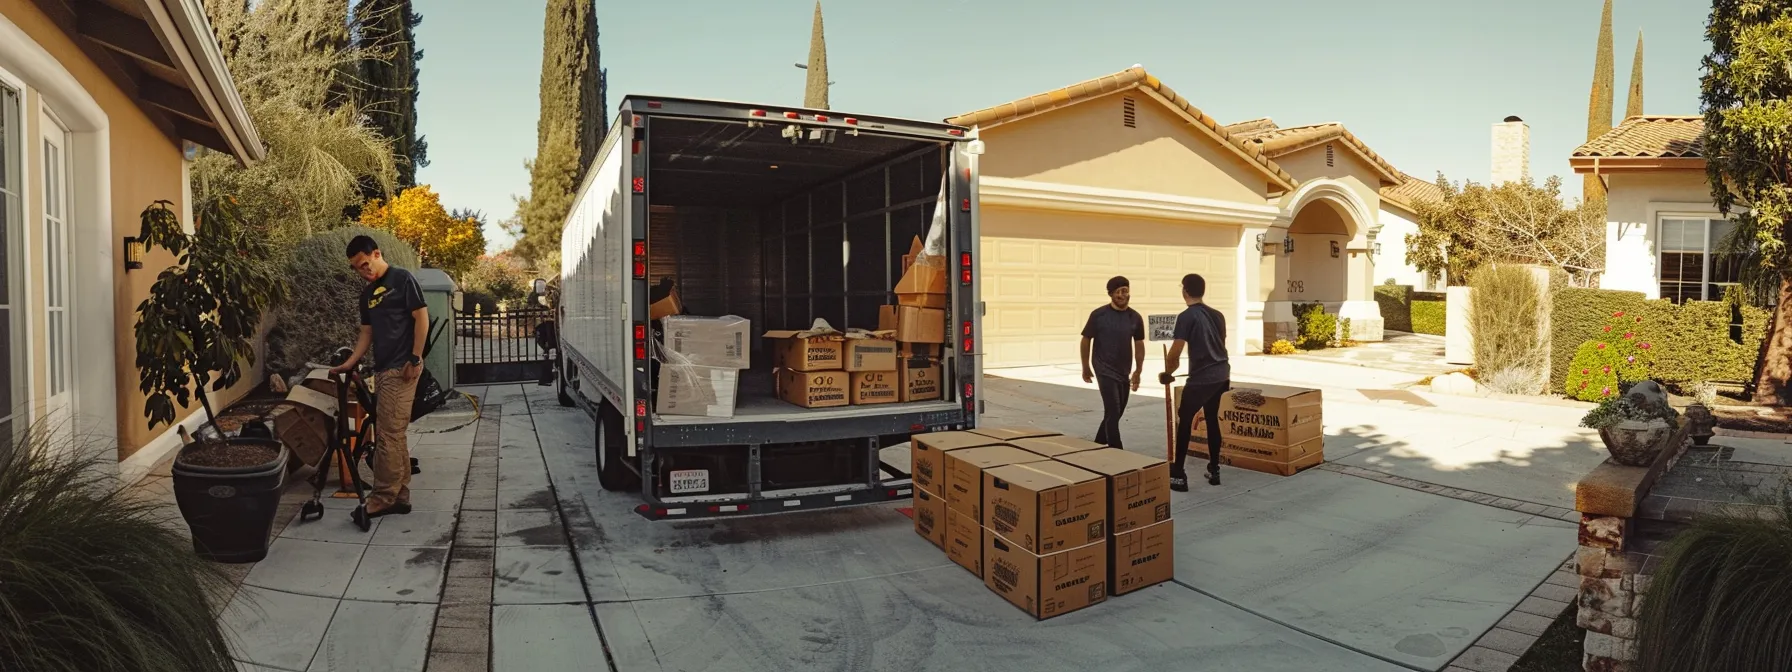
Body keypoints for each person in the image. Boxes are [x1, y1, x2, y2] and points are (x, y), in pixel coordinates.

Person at [331, 235, 428, 518]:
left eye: (365, 264)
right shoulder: (367, 295)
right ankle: (400, 495)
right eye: (358, 269)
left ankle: (383, 497)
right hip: (385, 368)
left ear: (377, 253)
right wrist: (349, 364)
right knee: (394, 435)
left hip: (403, 367)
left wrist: (415, 357)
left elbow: (422, 318)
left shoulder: (402, 279)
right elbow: (367, 335)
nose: (364, 272)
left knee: (386, 435)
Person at [1160, 273, 1230, 492]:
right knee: (1211, 418)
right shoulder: (1218, 315)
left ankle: (1178, 473)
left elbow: (1175, 352)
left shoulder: (1186, 316)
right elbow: (1220, 344)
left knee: (1185, 418)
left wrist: (1168, 372)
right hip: (1222, 374)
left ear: (1185, 291)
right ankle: (1214, 469)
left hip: (1202, 377)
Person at [1080, 276, 1145, 448]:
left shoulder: (1135, 318)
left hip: (1123, 370)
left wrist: (1138, 370)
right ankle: (1117, 450)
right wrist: (1085, 366)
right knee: (1113, 410)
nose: (1124, 295)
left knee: (1116, 412)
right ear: (1111, 294)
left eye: (1126, 290)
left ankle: (1098, 443)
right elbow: (1086, 339)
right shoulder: (1098, 315)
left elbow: (1139, 344)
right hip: (1103, 368)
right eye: (1119, 292)